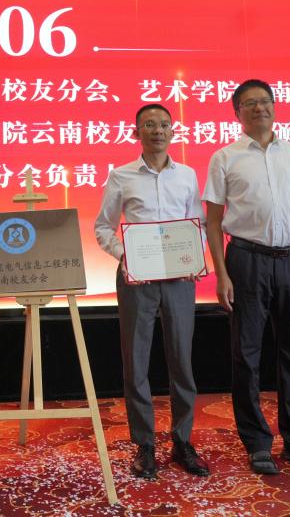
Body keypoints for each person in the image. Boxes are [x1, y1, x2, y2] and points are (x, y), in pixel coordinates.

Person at [202, 79, 290, 475]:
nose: (259, 108)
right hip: (246, 260)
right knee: (247, 355)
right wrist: (221, 274)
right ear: (237, 113)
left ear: (275, 107)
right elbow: (213, 221)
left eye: (265, 101)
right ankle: (257, 442)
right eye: (250, 103)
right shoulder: (225, 158)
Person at [94, 103, 211, 480]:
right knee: (136, 360)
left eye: (163, 124)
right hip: (137, 278)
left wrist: (195, 256)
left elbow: (197, 224)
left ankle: (182, 440)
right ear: (136, 132)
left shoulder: (187, 175)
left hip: (179, 278)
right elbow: (103, 227)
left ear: (173, 131)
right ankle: (144, 444)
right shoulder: (121, 176)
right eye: (149, 125)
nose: (157, 130)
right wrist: (126, 255)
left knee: (182, 359)